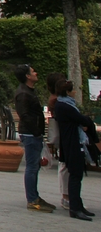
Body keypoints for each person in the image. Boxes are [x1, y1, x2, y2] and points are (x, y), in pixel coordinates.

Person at [52, 78, 95, 221]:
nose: (75, 92)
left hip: (71, 142)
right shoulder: (66, 107)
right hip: (72, 143)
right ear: (67, 92)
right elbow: (83, 120)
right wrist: (87, 122)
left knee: (77, 175)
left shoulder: (62, 105)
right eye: (73, 89)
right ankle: (75, 208)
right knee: (75, 176)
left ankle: (78, 205)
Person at [14, 64, 53, 212]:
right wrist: (36, 132)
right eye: (32, 71)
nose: (36, 73)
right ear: (27, 77)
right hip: (30, 134)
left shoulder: (28, 91)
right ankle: (32, 199)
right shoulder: (24, 94)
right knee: (32, 167)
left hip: (33, 133)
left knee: (34, 166)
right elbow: (24, 115)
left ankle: (34, 195)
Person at [46, 73, 71, 210]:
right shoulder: (57, 101)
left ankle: (67, 195)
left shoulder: (58, 99)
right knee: (65, 164)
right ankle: (66, 196)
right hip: (63, 134)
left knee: (65, 164)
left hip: (63, 134)